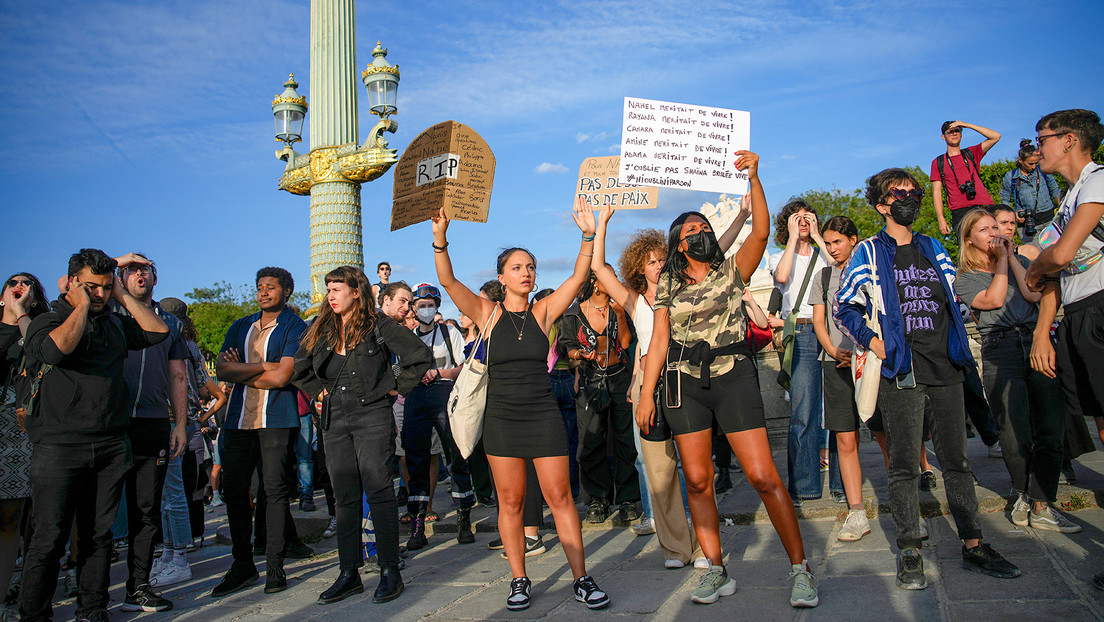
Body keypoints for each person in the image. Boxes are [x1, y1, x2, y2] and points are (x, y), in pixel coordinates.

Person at [637, 151, 819, 608]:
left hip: (733, 376)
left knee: (762, 475)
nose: (700, 234)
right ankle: (715, 569)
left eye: (705, 228)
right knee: (696, 481)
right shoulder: (667, 288)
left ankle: (800, 568)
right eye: (692, 230)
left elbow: (759, 230)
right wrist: (645, 395)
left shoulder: (731, 270)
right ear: (680, 243)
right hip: (685, 388)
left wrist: (755, 177)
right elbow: (659, 342)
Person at [836, 168, 1021, 591]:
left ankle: (974, 544)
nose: (909, 199)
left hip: (947, 366)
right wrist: (873, 341)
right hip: (902, 371)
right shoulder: (867, 252)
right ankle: (909, 550)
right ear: (882, 204)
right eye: (898, 194)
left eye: (914, 192)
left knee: (957, 460)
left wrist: (1004, 261)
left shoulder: (933, 247)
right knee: (903, 466)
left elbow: (964, 297)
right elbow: (845, 307)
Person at [431, 201, 611, 611]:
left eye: (530, 266)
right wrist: (440, 239)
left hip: (543, 414)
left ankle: (581, 577)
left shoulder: (544, 312)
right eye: (517, 267)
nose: (526, 272)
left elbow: (579, 275)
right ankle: (519, 579)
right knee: (510, 502)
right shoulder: (487, 314)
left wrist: (588, 234)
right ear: (501, 277)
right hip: (502, 419)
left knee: (560, 497)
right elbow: (448, 281)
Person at [19, 249, 169, 622]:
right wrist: (80, 306)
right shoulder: (47, 320)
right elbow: (57, 350)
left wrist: (121, 294)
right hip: (59, 446)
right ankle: (34, 615)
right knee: (48, 540)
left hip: (110, 443)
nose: (99, 295)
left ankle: (92, 608)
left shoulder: (115, 322)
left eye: (104, 288)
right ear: (71, 283)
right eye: (91, 287)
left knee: (99, 536)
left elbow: (157, 331)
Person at [293, 266, 433, 605]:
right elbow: (300, 369)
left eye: (337, 289)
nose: (331, 295)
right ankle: (348, 573)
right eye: (328, 289)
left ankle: (389, 571)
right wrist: (318, 393)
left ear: (356, 291)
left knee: (380, 490)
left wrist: (393, 385)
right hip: (334, 417)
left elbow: (417, 357)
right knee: (344, 496)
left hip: (372, 413)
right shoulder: (321, 329)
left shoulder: (380, 326)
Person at [592, 209, 707, 568]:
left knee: (696, 467)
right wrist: (603, 224)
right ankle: (675, 547)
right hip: (647, 383)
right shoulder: (634, 301)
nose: (658, 265)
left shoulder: (687, 291)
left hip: (685, 377)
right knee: (657, 469)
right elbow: (598, 268)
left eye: (662, 259)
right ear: (639, 268)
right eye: (651, 261)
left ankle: (705, 545)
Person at [955, 209, 1079, 533]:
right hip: (1001, 348)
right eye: (985, 229)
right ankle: (1025, 493)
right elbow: (995, 299)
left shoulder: (1020, 261)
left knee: (1051, 426)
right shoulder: (965, 277)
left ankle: (1040, 503)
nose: (995, 233)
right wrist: (1000, 262)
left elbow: (1033, 293)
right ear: (970, 240)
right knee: (1012, 431)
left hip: (1035, 340)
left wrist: (1010, 257)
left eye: (996, 226)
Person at [1023, 111, 1104, 587]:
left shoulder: (1097, 181)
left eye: (1044, 140)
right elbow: (1045, 264)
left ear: (1069, 140)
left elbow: (1063, 254)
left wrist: (1036, 269)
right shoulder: (1067, 199)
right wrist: (1041, 331)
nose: (1039, 149)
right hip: (1076, 316)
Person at [212, 267, 308, 597]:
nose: (264, 292)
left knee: (275, 491)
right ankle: (242, 565)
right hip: (238, 419)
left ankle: (275, 564)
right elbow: (222, 368)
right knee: (235, 490)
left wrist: (243, 371)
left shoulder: (295, 326)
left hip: (277, 419)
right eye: (260, 287)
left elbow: (283, 377)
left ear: (287, 292)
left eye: (271, 287)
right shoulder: (240, 326)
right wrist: (264, 367)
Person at [110, 254, 190, 613]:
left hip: (154, 421)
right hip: (110, 421)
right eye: (132, 270)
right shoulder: (107, 312)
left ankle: (138, 588)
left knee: (146, 511)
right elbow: (77, 280)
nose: (140, 274)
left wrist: (181, 424)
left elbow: (178, 375)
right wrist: (117, 261)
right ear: (119, 278)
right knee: (100, 509)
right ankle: (90, 593)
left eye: (146, 270)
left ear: (155, 280)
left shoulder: (170, 322)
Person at [152, 298, 227, 588]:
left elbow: (190, 384)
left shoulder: (180, 345)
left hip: (176, 420)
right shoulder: (189, 345)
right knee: (168, 494)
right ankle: (171, 552)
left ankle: (178, 556)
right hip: (180, 420)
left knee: (175, 493)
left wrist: (193, 416)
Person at [768, 200, 837, 505]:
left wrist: (819, 235)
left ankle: (840, 483)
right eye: (797, 218)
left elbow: (839, 270)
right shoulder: (778, 256)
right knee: (803, 412)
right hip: (804, 331)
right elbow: (782, 278)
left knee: (837, 411)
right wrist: (794, 238)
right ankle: (804, 485)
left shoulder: (825, 252)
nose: (804, 222)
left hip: (832, 329)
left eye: (808, 217)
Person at [810, 216, 872, 541]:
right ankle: (856, 510)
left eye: (838, 242)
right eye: (829, 242)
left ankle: (906, 505)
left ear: (853, 239)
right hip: (835, 362)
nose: (833, 248)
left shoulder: (870, 267)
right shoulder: (823, 276)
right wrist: (834, 351)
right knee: (845, 439)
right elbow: (818, 321)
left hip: (871, 360)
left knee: (884, 433)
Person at [561, 269, 639, 524]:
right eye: (608, 277)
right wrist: (579, 356)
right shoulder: (574, 313)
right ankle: (597, 500)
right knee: (590, 442)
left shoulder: (622, 307)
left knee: (625, 440)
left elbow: (626, 344)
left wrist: (620, 315)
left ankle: (628, 499)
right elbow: (568, 349)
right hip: (590, 381)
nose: (613, 282)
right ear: (594, 283)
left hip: (620, 378)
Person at [403, 282, 475, 548]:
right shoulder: (408, 336)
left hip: (443, 391)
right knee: (416, 458)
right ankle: (418, 525)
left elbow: (462, 366)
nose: (426, 309)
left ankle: (463, 518)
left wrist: (439, 373)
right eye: (421, 305)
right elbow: (399, 369)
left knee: (455, 453)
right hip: (415, 396)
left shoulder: (449, 332)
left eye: (430, 305)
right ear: (413, 307)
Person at [0, 273, 48, 620]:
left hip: (15, 427)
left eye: (29, 284)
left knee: (10, 518)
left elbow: (38, 350)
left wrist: (21, 314)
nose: (20, 286)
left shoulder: (33, 330)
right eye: (13, 282)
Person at [931, 120, 1002, 235]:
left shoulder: (971, 153)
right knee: (966, 248)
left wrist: (967, 125)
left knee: (992, 243)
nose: (954, 134)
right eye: (950, 132)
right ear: (943, 137)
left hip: (984, 205)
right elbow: (937, 193)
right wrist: (941, 219)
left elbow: (995, 136)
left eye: (957, 131)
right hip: (960, 210)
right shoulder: (938, 162)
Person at [1000, 140, 1062, 244]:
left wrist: (1062, 206)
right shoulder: (1011, 177)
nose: (1033, 166)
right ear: (1020, 160)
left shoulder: (1043, 171)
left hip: (1048, 219)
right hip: (1026, 223)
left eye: (1036, 163)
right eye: (1030, 163)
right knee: (1033, 256)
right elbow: (1004, 199)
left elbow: (1055, 190)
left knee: (1054, 252)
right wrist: (1013, 215)